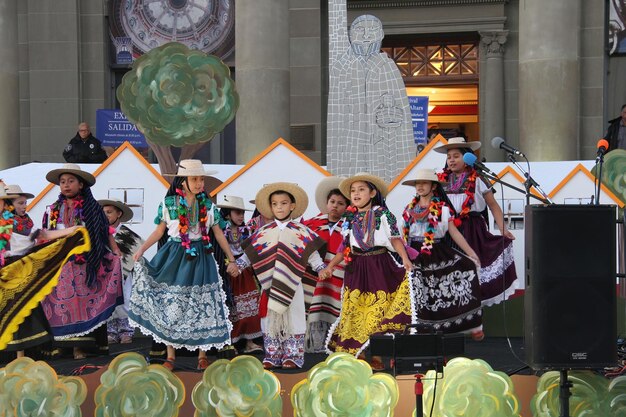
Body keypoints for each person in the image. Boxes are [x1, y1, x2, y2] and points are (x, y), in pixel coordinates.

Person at [129, 160, 240, 371]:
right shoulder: (169, 204)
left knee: (201, 303)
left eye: (201, 179)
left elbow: (218, 234)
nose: (199, 183)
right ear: (183, 181)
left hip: (201, 258)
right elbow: (159, 232)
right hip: (174, 257)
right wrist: (142, 249)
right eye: (194, 179)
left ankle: (202, 355)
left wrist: (231, 259)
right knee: (172, 304)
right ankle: (170, 356)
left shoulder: (208, 206)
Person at [321, 173, 412, 370]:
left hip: (379, 265)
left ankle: (377, 355)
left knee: (377, 310)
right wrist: (330, 266)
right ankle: (358, 352)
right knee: (354, 310)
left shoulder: (384, 214)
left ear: (372, 193)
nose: (356, 193)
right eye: (353, 191)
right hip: (356, 267)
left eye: (361, 189)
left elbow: (395, 239)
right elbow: (343, 247)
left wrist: (405, 259)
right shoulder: (349, 217)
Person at [237, 183, 327, 369]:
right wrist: (238, 265)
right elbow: (251, 253)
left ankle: (292, 356)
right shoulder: (263, 232)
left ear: (292, 205)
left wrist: (320, 268)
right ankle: (272, 354)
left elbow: (311, 254)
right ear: (270, 207)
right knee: (269, 318)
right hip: (268, 282)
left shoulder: (301, 232)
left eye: (284, 203)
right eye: (275, 203)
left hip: (292, 283)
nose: (279, 207)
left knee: (294, 316)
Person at [40, 164, 123, 360]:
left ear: (81, 184)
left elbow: (105, 232)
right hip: (60, 266)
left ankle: (81, 348)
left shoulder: (93, 209)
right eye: (62, 182)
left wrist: (116, 251)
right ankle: (61, 347)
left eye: (70, 181)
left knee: (83, 306)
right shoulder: (53, 210)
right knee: (60, 305)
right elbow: (45, 235)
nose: (66, 185)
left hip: (85, 265)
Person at [0, 185, 90, 356]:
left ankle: (21, 356)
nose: (23, 206)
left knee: (22, 308)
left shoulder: (15, 222)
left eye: (2, 202)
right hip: (5, 268)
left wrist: (71, 230)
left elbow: (40, 235)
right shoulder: (9, 221)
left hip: (18, 267)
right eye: (19, 203)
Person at [434, 137, 517, 310]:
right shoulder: (440, 181)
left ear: (467, 158)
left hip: (473, 229)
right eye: (449, 156)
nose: (451, 160)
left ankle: (472, 317)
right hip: (448, 230)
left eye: (456, 156)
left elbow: (493, 206)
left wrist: (503, 229)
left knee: (473, 270)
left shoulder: (477, 178)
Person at [401, 169, 484, 340]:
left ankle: (470, 324)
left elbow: (454, 233)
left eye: (424, 183)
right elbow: (403, 237)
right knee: (418, 294)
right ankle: (418, 334)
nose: (420, 186)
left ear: (433, 186)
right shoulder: (409, 209)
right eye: (417, 183)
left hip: (437, 251)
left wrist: (471, 253)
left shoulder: (443, 209)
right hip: (414, 254)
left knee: (463, 271)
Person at [302, 176, 350, 353]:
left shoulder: (349, 226)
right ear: (327, 203)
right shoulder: (312, 224)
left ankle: (335, 344)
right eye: (332, 201)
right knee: (315, 307)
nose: (335, 206)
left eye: (340, 203)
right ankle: (315, 345)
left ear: (347, 207)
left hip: (338, 275)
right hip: (314, 276)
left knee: (336, 308)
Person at [216, 195, 263, 355]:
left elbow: (251, 250)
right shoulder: (220, 231)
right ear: (227, 214)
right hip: (228, 272)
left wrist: (243, 265)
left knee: (250, 307)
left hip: (244, 271)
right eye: (237, 212)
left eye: (243, 213)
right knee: (232, 308)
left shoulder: (247, 230)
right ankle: (232, 343)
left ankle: (250, 342)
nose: (241, 216)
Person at [98, 198, 143, 345]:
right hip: (105, 274)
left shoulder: (130, 236)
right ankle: (110, 330)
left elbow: (136, 254)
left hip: (125, 275)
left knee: (125, 298)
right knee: (107, 299)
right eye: (103, 212)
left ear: (119, 214)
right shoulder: (99, 234)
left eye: (109, 212)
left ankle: (126, 330)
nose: (106, 216)